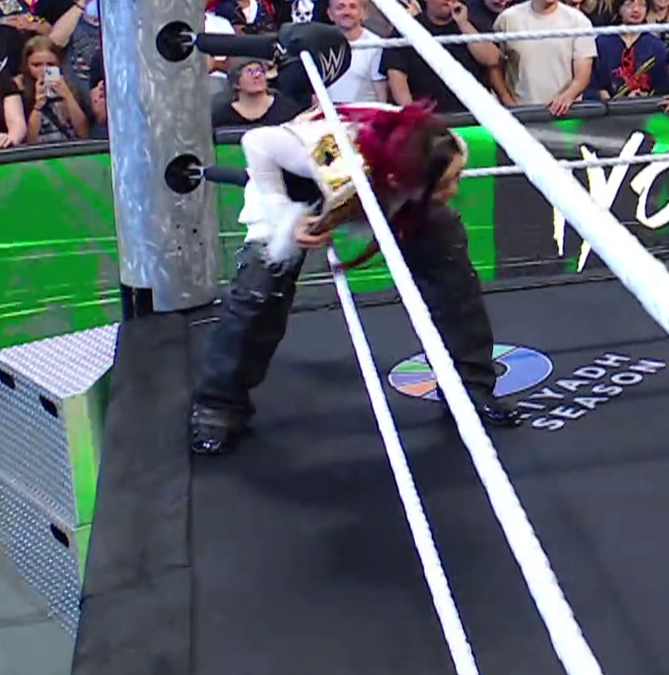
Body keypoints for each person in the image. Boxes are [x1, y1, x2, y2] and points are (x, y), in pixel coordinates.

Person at [191, 100, 528, 455]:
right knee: (258, 292)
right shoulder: (332, 153)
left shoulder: (442, 145)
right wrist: (282, 213)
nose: (455, 190)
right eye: (448, 182)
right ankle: (218, 405)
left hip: (399, 185)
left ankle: (470, 387)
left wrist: (426, 188)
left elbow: (430, 176)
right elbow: (257, 142)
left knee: (449, 264)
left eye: (456, 178)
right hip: (297, 185)